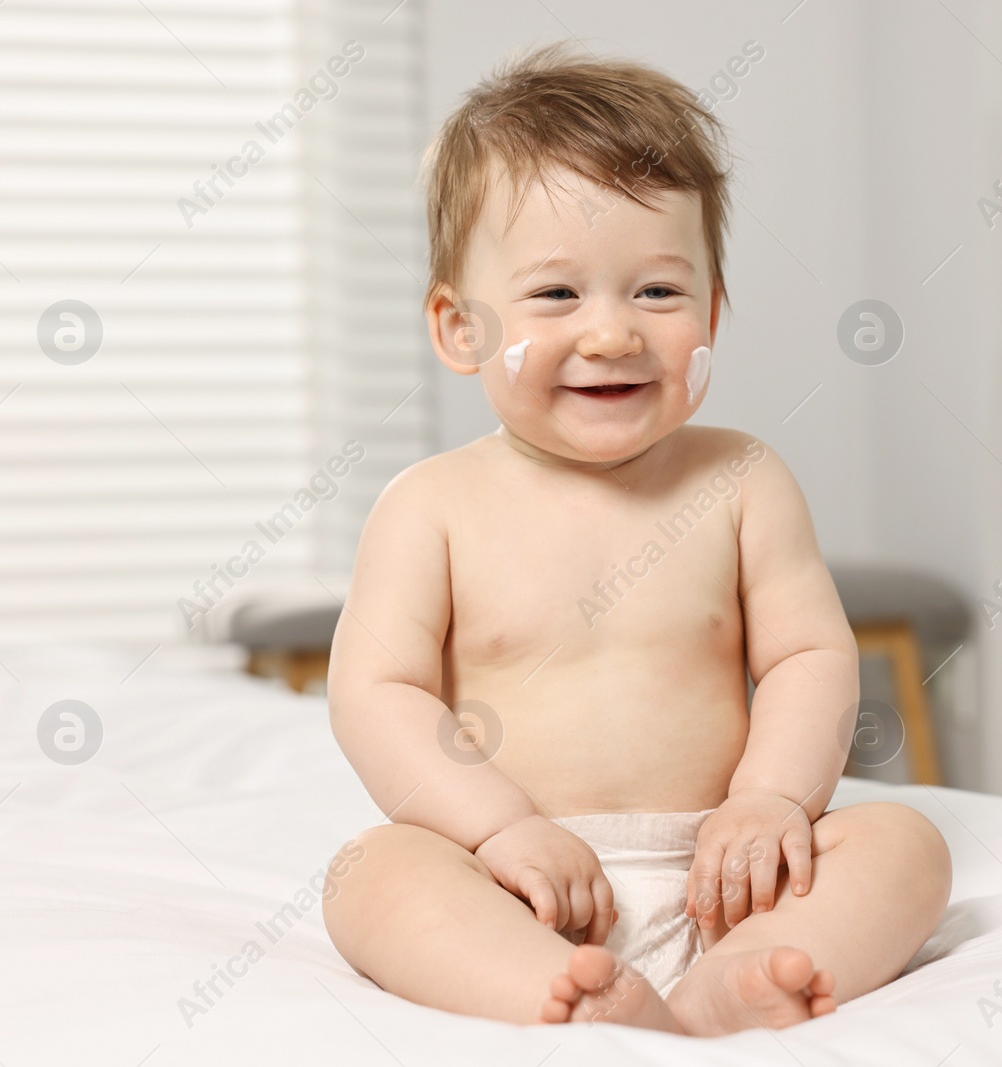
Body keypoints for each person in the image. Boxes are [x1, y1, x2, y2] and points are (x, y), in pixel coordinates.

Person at [321, 42, 951, 1036]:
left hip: (728, 870)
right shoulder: (430, 505)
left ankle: (727, 982)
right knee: (369, 873)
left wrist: (771, 800)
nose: (612, 333)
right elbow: (375, 693)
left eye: (656, 292)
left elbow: (806, 654)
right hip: (514, 876)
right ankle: (542, 985)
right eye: (557, 294)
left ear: (711, 306)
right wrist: (500, 827)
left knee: (906, 841)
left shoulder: (741, 479)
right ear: (458, 327)